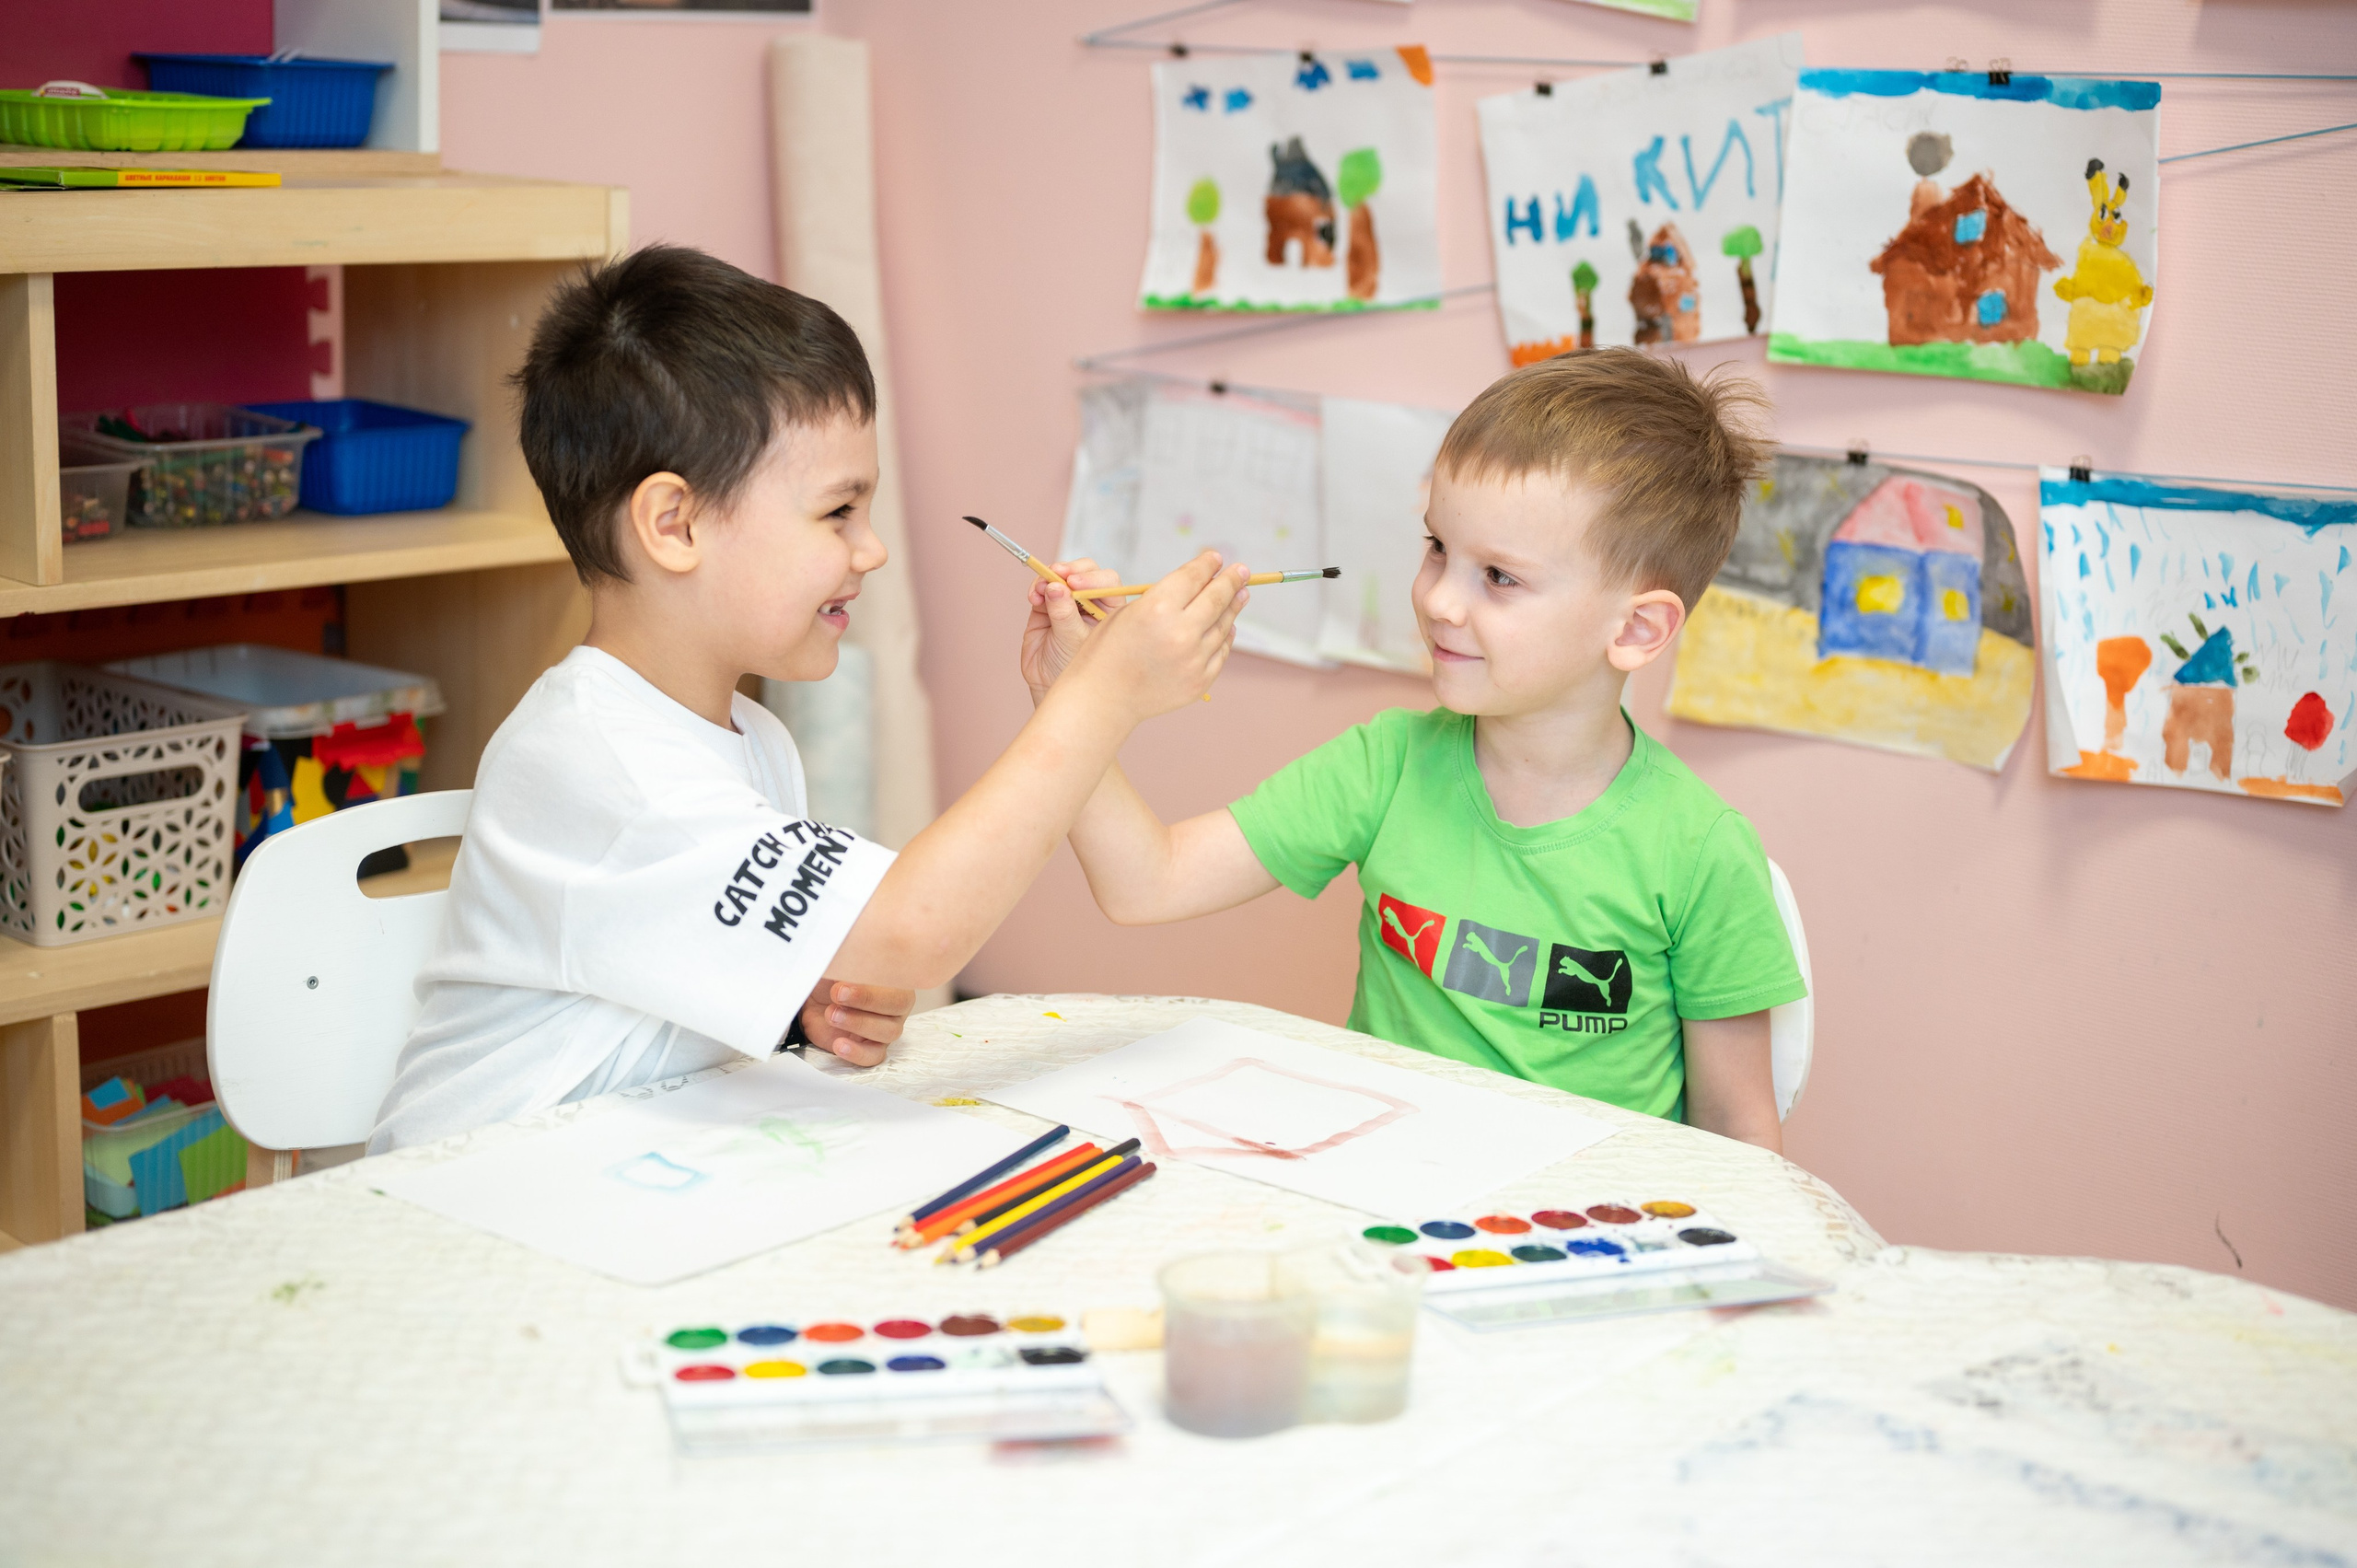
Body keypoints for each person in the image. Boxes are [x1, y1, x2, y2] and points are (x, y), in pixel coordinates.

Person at [368, 246, 1248, 1152]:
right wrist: (1099, 697)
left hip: (618, 1169)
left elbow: (689, 966)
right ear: (675, 525)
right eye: (838, 512)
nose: (870, 550)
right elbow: (914, 929)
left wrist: (803, 998)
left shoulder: (752, 735)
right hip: (472, 1191)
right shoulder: (598, 760)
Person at [1024, 350, 1805, 1153]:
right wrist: (1072, 699)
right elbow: (1144, 883)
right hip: (1388, 1207)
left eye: (1498, 576)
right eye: (1438, 548)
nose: (1437, 598)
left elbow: (1737, 1135)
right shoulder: (1385, 765)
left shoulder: (1702, 852)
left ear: (1637, 629)